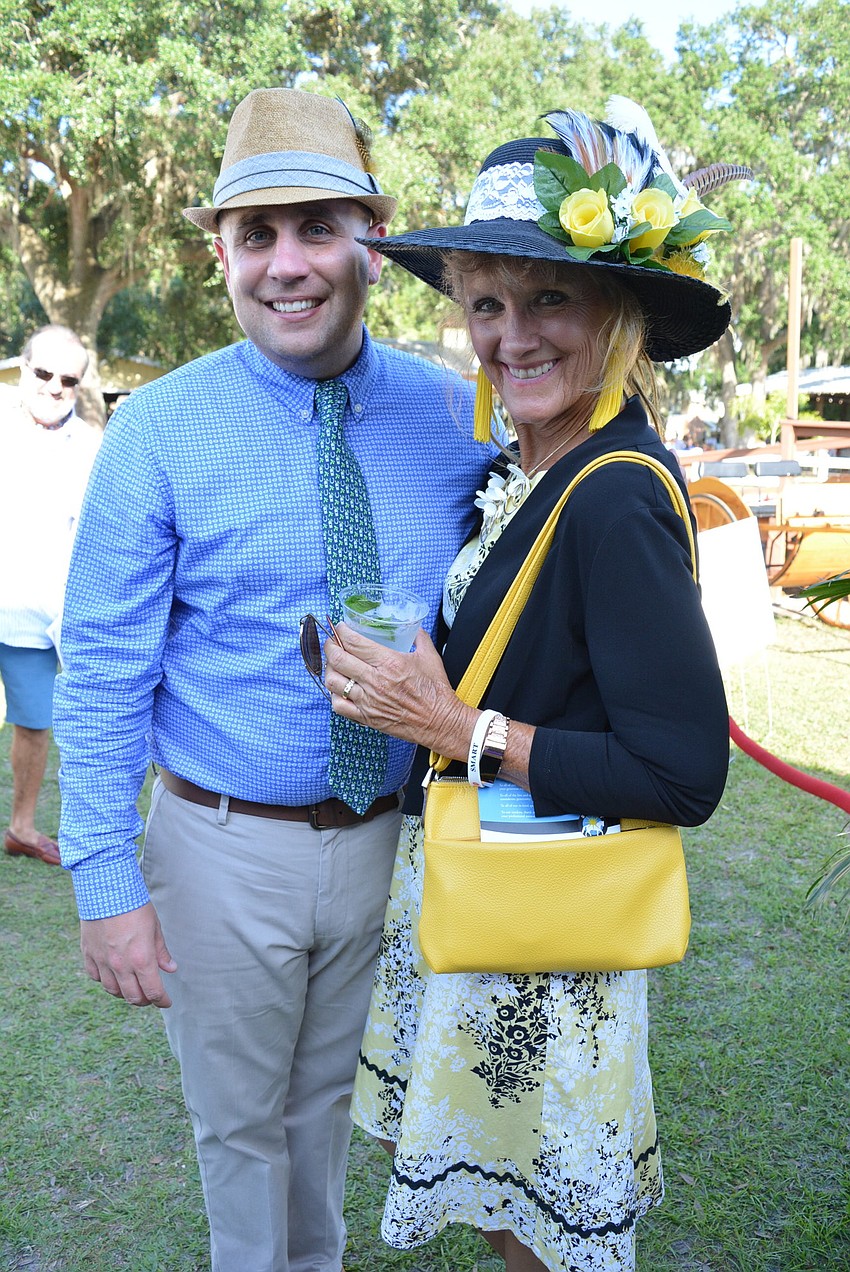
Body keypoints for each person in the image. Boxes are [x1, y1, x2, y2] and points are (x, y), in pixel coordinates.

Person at [52, 88, 490, 1272]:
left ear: (374, 238)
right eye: (257, 235)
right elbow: (101, 667)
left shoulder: (464, 419)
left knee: (325, 1120)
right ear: (220, 253)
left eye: (317, 227)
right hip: (217, 846)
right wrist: (104, 878)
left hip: (398, 845)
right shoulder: (161, 430)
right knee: (239, 1131)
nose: (286, 265)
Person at [322, 99, 743, 1270]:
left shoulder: (614, 491)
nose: (511, 336)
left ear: (616, 313)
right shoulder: (527, 464)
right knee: (513, 1216)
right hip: (491, 898)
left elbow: (681, 772)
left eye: (548, 298)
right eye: (486, 305)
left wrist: (458, 725)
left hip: (551, 940)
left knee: (546, 1234)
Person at [1, 324, 99, 866]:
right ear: (22, 368)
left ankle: (21, 827)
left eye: (68, 379)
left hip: (36, 616)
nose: (54, 386)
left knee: (36, 725)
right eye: (43, 372)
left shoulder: (89, 447)